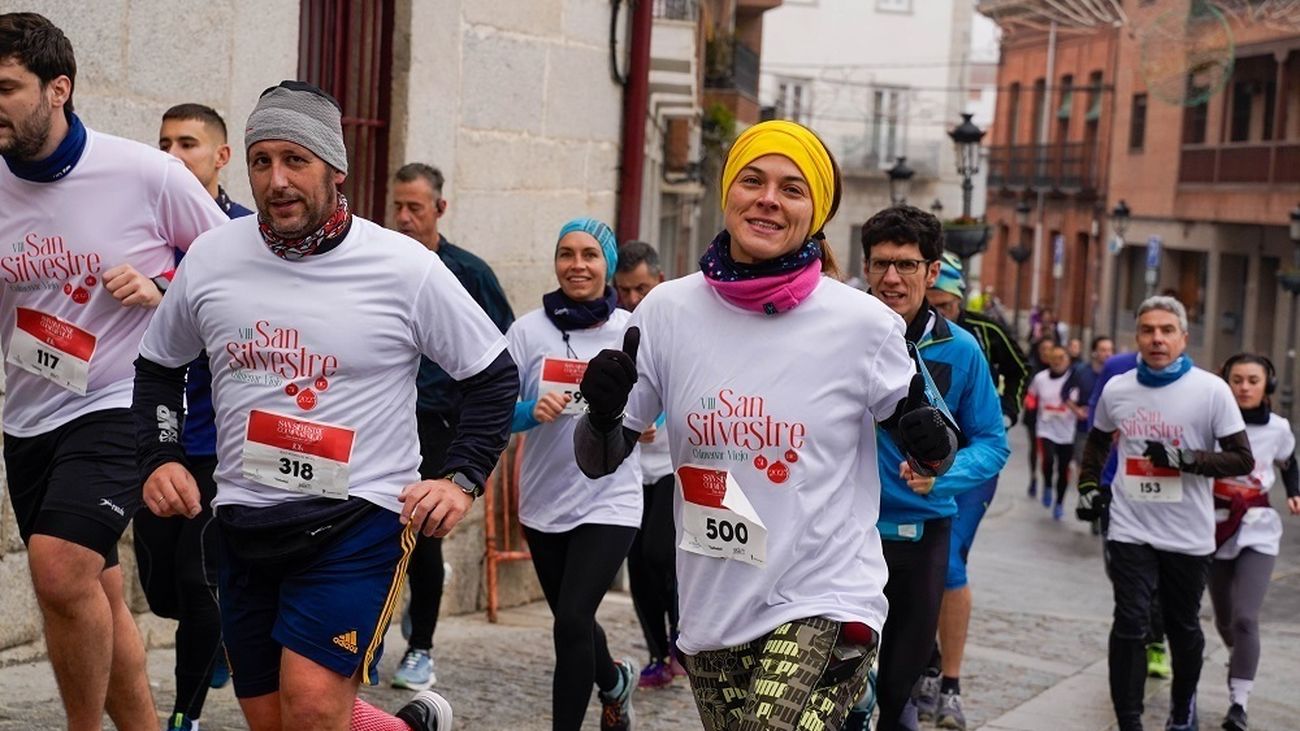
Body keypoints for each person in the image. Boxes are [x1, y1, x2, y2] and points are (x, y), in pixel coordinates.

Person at [132, 80, 518, 731]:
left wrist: (460, 479)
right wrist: (161, 453)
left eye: (296, 160)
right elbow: (158, 366)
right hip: (245, 519)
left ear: (335, 168)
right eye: (262, 161)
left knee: (310, 703)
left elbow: (493, 375)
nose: (277, 179)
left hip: (357, 518)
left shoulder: (402, 266)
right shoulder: (213, 256)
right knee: (273, 714)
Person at [574, 120, 960, 731]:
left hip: (825, 596)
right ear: (728, 192)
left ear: (817, 212)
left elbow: (937, 451)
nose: (768, 198)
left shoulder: (863, 323)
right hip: (713, 606)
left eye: (792, 188)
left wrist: (926, 434)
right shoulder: (668, 310)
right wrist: (600, 413)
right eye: (752, 180)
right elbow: (600, 459)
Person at [0, 14, 229, 731]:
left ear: (57, 88)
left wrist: (163, 292)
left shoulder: (145, 173)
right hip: (29, 409)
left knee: (60, 566)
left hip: (117, 397)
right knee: (91, 587)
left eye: (5, 87)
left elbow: (232, 272)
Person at [857, 206, 1009, 731]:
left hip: (921, 531)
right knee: (836, 684)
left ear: (931, 269)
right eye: (879, 265)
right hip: (842, 530)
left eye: (904, 265)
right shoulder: (841, 336)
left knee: (899, 691)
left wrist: (943, 473)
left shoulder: (962, 350)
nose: (890, 279)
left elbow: (993, 443)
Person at [1077, 296, 1253, 731]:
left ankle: (1181, 710)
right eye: (1149, 330)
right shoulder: (1118, 388)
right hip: (1130, 526)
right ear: (1136, 336)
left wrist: (1184, 459)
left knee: (1182, 626)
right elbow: (1099, 441)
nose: (1157, 339)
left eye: (1167, 331)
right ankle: (1130, 720)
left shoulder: (1211, 391)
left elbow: (1242, 459)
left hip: (1188, 532)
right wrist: (1087, 488)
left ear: (1183, 338)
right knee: (1131, 621)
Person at [132, 102, 254, 731]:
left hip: (217, 439)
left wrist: (166, 295)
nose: (173, 157)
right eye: (163, 144)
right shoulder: (139, 229)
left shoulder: (246, 236)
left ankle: (185, 716)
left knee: (198, 581)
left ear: (221, 157)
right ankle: (231, 633)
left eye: (188, 144)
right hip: (152, 433)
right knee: (162, 590)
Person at [505, 217, 640, 730]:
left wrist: (647, 424)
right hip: (544, 497)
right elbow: (494, 408)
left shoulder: (630, 329)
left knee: (572, 618)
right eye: (566, 254)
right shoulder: (528, 330)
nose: (576, 265)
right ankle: (613, 681)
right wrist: (527, 411)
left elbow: (660, 395)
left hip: (611, 497)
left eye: (589, 254)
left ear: (608, 264)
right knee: (571, 618)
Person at [388, 161, 515, 692]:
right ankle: (360, 637)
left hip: (441, 425)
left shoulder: (470, 273)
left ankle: (420, 649)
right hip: (383, 422)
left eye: (414, 207)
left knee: (424, 535)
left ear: (440, 209)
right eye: (397, 206)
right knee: (373, 533)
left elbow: (502, 352)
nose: (403, 217)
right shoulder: (380, 262)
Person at [916, 253, 1027, 729]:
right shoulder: (898, 330)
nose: (940, 310)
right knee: (920, 566)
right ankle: (924, 658)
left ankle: (951, 684)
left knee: (951, 562)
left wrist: (1006, 409)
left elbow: (1020, 371)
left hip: (972, 469)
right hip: (918, 469)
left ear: (960, 300)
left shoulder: (983, 333)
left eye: (947, 303)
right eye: (932, 302)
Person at [1208, 354, 1299, 731]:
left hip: (1258, 527)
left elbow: (1290, 460)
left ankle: (1238, 703)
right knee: (1226, 619)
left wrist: (1295, 492)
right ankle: (1240, 656)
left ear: (1268, 386)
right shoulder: (1210, 423)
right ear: (1225, 383)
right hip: (1213, 525)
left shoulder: (1278, 428)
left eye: (1253, 380)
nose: (1244, 387)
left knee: (1246, 617)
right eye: (1237, 380)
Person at [612, 240, 683, 689]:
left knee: (663, 552)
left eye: (641, 288)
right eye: (624, 290)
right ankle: (658, 652)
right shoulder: (619, 328)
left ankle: (683, 642)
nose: (634, 300)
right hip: (631, 468)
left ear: (658, 281)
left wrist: (654, 418)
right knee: (638, 564)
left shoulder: (679, 321)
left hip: (676, 465)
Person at [1027, 345, 1076, 520]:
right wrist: (1031, 406)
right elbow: (1031, 395)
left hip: (1067, 431)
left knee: (1063, 469)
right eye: (1054, 358)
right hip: (1045, 428)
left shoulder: (1074, 380)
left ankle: (1060, 502)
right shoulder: (1041, 378)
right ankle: (1047, 484)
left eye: (1062, 358)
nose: (1058, 362)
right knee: (1047, 459)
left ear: (1068, 360)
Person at [1064, 336, 1113, 469]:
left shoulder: (1116, 373)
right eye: (1103, 350)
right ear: (1094, 352)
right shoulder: (1081, 371)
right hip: (1084, 427)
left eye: (1110, 350)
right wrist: (1076, 410)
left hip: (1108, 429)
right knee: (1084, 464)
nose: (1108, 354)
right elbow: (1064, 393)